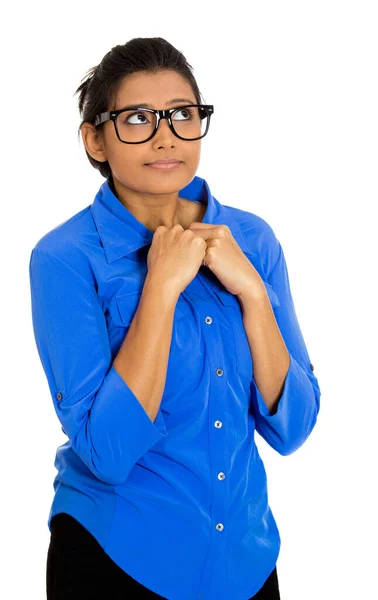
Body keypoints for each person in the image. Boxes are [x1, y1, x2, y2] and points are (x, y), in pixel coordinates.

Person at [29, 36, 321, 600]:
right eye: (138, 118)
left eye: (183, 114)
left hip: (246, 560)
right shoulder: (64, 259)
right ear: (95, 138)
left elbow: (294, 428)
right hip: (118, 558)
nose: (166, 135)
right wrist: (159, 291)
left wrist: (254, 296)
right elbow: (108, 453)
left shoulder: (251, 240)